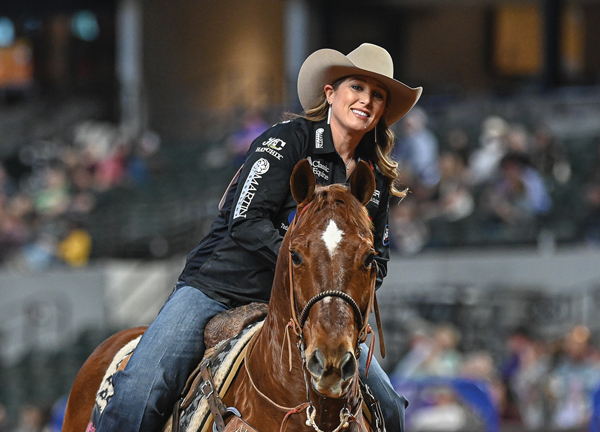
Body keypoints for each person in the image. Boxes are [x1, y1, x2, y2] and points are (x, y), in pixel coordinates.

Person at [96, 43, 422, 432]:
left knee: (390, 406)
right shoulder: (286, 141)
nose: (366, 100)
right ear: (331, 93)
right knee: (139, 390)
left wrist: (342, 299)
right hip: (221, 286)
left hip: (315, 307)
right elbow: (245, 219)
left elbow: (377, 262)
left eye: (377, 95)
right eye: (357, 87)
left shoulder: (376, 177)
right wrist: (307, 263)